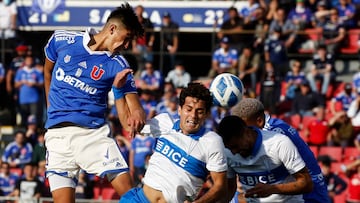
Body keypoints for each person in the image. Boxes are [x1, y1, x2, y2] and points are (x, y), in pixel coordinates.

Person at [43, 4, 146, 203]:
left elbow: (132, 114)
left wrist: (136, 111)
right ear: (112, 29)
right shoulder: (61, 39)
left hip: (92, 137)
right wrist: (51, 110)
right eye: (127, 38)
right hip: (57, 138)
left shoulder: (118, 65)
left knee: (132, 197)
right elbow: (47, 71)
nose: (127, 46)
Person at [120, 82, 228, 203]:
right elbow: (128, 126)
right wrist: (118, 90)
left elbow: (221, 187)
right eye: (189, 109)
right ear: (180, 109)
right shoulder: (165, 122)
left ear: (207, 115)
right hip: (139, 199)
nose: (193, 115)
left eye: (200, 111)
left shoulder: (212, 141)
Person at [231, 98, 329, 203]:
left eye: (244, 129)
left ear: (259, 121)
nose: (242, 134)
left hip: (309, 193)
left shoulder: (274, 136)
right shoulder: (272, 126)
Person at [217, 115, 313, 202]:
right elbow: (230, 189)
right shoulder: (227, 153)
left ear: (246, 133)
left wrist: (272, 189)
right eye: (229, 148)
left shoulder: (279, 144)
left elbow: (307, 183)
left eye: (235, 146)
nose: (234, 152)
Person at [132, 5, 155, 75]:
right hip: (138, 45)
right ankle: (140, 74)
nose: (139, 12)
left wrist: (150, 44)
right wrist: (134, 46)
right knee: (139, 61)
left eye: (140, 10)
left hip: (146, 45)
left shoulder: (147, 21)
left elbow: (152, 34)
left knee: (149, 60)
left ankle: (149, 74)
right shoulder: (133, 22)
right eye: (138, 10)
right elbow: (132, 36)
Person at [160, 11, 179, 76]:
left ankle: (173, 76)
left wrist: (174, 47)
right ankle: (164, 75)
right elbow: (162, 39)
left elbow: (175, 37)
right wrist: (169, 47)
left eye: (167, 18)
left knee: (173, 62)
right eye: (165, 18)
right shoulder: (162, 27)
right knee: (164, 62)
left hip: (173, 48)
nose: (166, 19)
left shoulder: (174, 25)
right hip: (166, 48)